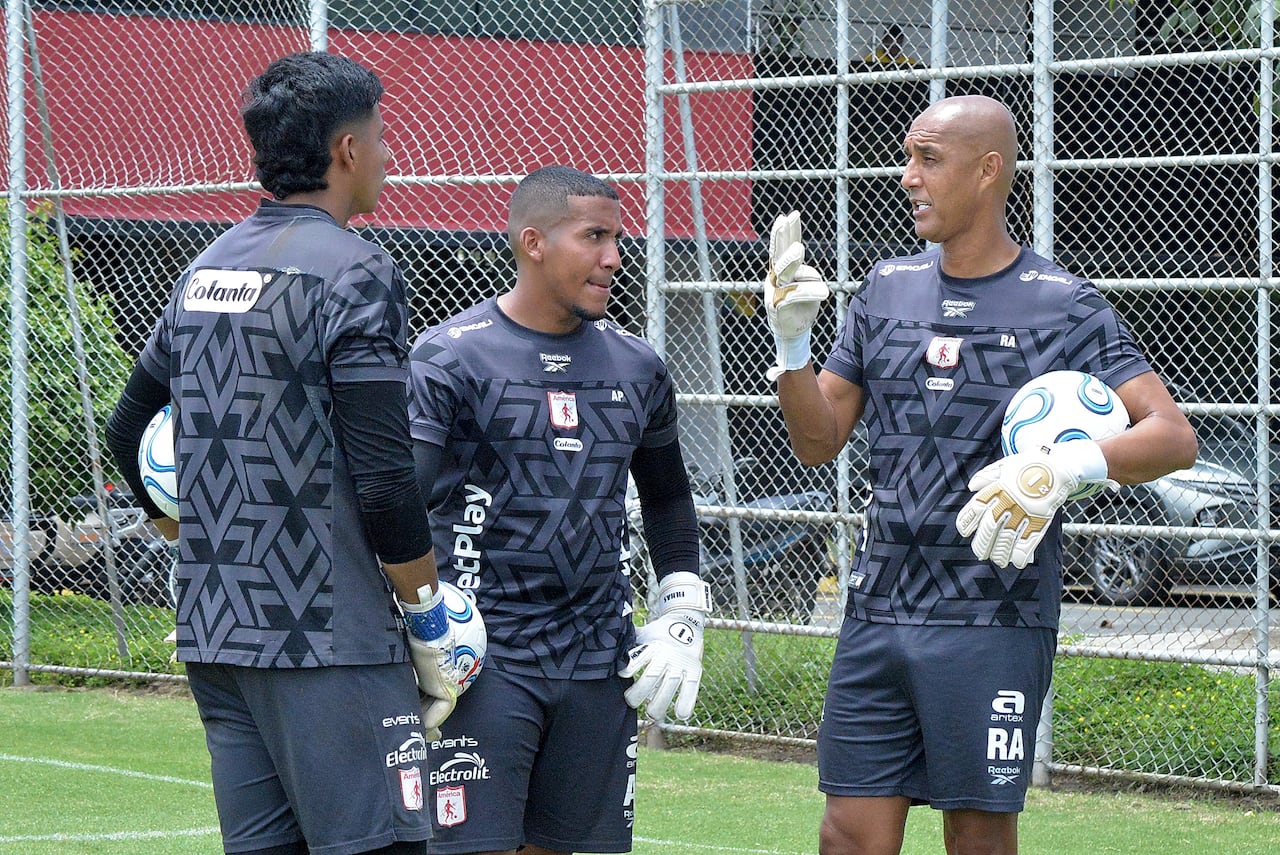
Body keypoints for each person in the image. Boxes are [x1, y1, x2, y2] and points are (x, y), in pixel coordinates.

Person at [761, 95, 1198, 855]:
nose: (908, 177)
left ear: (988, 170)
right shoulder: (884, 289)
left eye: (928, 159)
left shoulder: (1063, 305)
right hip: (878, 608)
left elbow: (1172, 435)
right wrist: (792, 350)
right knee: (848, 835)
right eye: (909, 157)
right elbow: (817, 441)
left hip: (994, 616)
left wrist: (1064, 465)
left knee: (978, 837)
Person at [104, 52, 470, 855]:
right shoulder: (358, 271)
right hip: (328, 637)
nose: (387, 155)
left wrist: (192, 541)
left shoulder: (205, 267)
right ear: (347, 150)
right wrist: (427, 618)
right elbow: (385, 480)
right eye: (380, 137)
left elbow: (126, 432)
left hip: (218, 634)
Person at [406, 164, 706, 855]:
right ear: (533, 242)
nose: (614, 257)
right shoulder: (449, 359)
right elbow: (402, 503)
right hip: (481, 659)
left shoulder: (639, 366)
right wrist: (416, 620)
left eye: (618, 239)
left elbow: (667, 496)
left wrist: (681, 607)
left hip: (600, 661)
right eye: (594, 236)